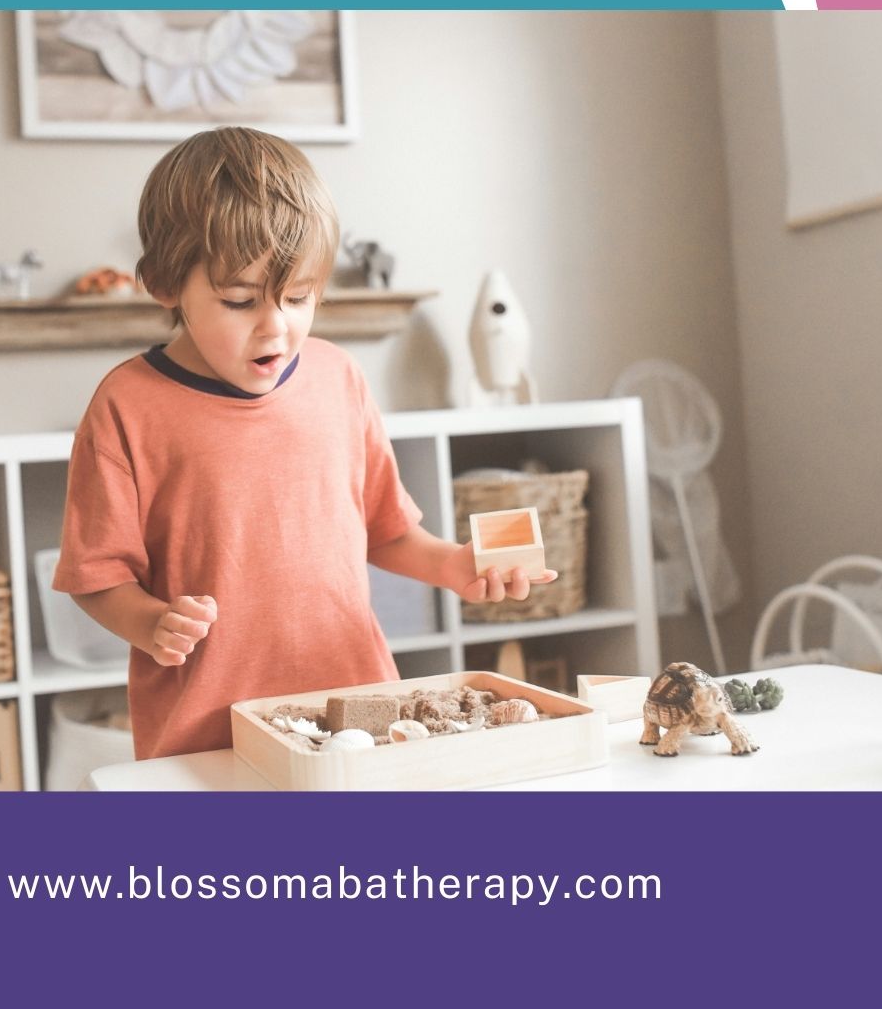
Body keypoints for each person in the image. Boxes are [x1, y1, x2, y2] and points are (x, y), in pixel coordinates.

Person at [53, 126, 553, 759]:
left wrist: (453, 566)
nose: (275, 327)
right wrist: (150, 624)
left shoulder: (338, 377)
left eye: (298, 298)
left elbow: (386, 530)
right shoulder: (126, 406)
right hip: (207, 733)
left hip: (357, 711)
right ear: (164, 284)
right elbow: (95, 575)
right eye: (239, 301)